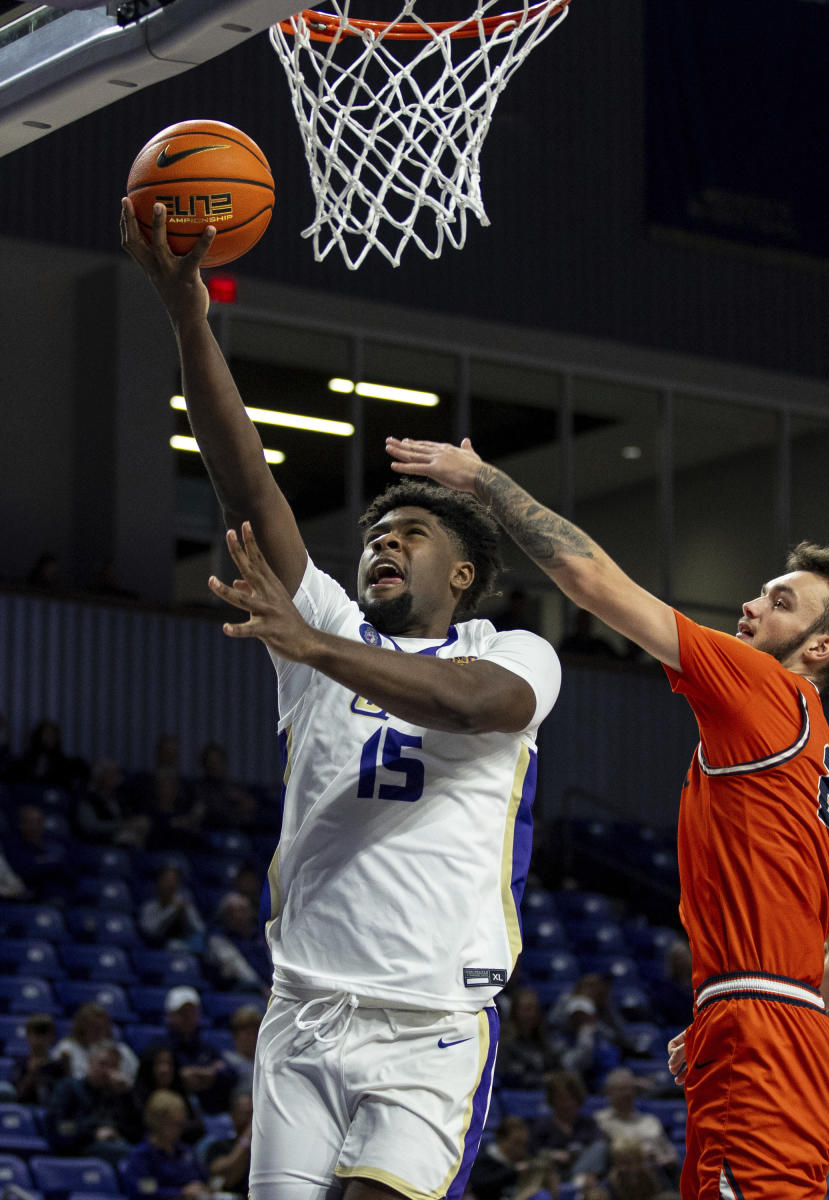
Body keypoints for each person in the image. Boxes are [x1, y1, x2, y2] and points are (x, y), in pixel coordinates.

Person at [120, 199, 561, 1200]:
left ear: (463, 575)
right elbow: (249, 495)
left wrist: (311, 645)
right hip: (304, 1004)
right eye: (374, 533)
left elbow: (468, 704)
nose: (384, 542)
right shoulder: (318, 622)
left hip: (431, 1019)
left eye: (411, 532)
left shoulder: (514, 650)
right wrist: (189, 318)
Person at [385, 435, 829, 1200]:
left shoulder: (761, 688)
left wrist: (485, 480)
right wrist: (747, 1001)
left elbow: (589, 578)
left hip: (761, 1035)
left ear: (820, 647)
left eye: (780, 601)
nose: (752, 605)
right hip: (794, 1037)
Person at [45, 1040, 143, 1165]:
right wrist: (92, 1133)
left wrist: (127, 1095)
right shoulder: (69, 1088)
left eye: (114, 1066)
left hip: (115, 1145)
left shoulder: (120, 1095)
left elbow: (137, 1132)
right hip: (80, 1149)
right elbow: (58, 1127)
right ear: (90, 1062)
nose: (108, 1072)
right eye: (103, 1064)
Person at [155, 986, 237, 1116]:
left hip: (211, 1113)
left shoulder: (207, 1048)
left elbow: (230, 1073)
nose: (188, 1017)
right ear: (170, 1015)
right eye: (182, 1013)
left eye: (192, 1012)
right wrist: (180, 1077)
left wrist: (210, 1074)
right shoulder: (160, 1047)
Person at [121, 1088, 210, 1200]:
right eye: (173, 1124)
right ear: (156, 1122)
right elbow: (145, 1190)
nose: (179, 1130)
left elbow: (204, 1180)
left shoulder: (185, 1151)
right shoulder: (142, 1156)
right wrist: (180, 1193)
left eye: (181, 1124)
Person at [53, 1001, 140, 1086]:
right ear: (81, 1027)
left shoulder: (121, 1049)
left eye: (102, 1026)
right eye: (93, 1026)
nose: (98, 1031)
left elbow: (134, 1079)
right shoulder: (66, 1048)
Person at [205, 891, 272, 994]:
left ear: (251, 913)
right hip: (243, 992)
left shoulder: (262, 935)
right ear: (225, 916)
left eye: (243, 910)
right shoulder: (218, 940)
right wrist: (262, 989)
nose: (239, 916)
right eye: (232, 912)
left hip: (273, 988)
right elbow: (239, 971)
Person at [138, 862, 206, 952]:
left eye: (174, 880)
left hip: (184, 947)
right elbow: (150, 931)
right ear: (158, 882)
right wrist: (172, 910)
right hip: (156, 950)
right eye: (166, 880)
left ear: (178, 885)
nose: (170, 884)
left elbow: (200, 929)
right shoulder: (148, 907)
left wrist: (186, 912)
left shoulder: (184, 904)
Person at [204, 1086, 254, 1198]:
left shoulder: (265, 1149)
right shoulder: (219, 1146)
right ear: (232, 1115)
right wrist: (247, 1136)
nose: (249, 1118)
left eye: (252, 1113)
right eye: (244, 1113)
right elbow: (226, 1178)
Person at [11, 1011, 68, 1105]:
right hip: (26, 1110)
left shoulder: (58, 1064)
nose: (40, 1040)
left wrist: (68, 1068)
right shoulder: (20, 1063)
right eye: (37, 1034)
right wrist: (31, 1073)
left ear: (52, 1037)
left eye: (45, 1034)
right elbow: (16, 1097)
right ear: (28, 1035)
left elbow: (66, 1097)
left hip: (53, 1111)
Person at [468, 1115, 531, 1200]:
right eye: (516, 1143)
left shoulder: (524, 1162)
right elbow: (480, 1185)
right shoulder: (482, 1160)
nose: (521, 1149)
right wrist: (513, 1171)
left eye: (523, 1144)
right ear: (500, 1140)